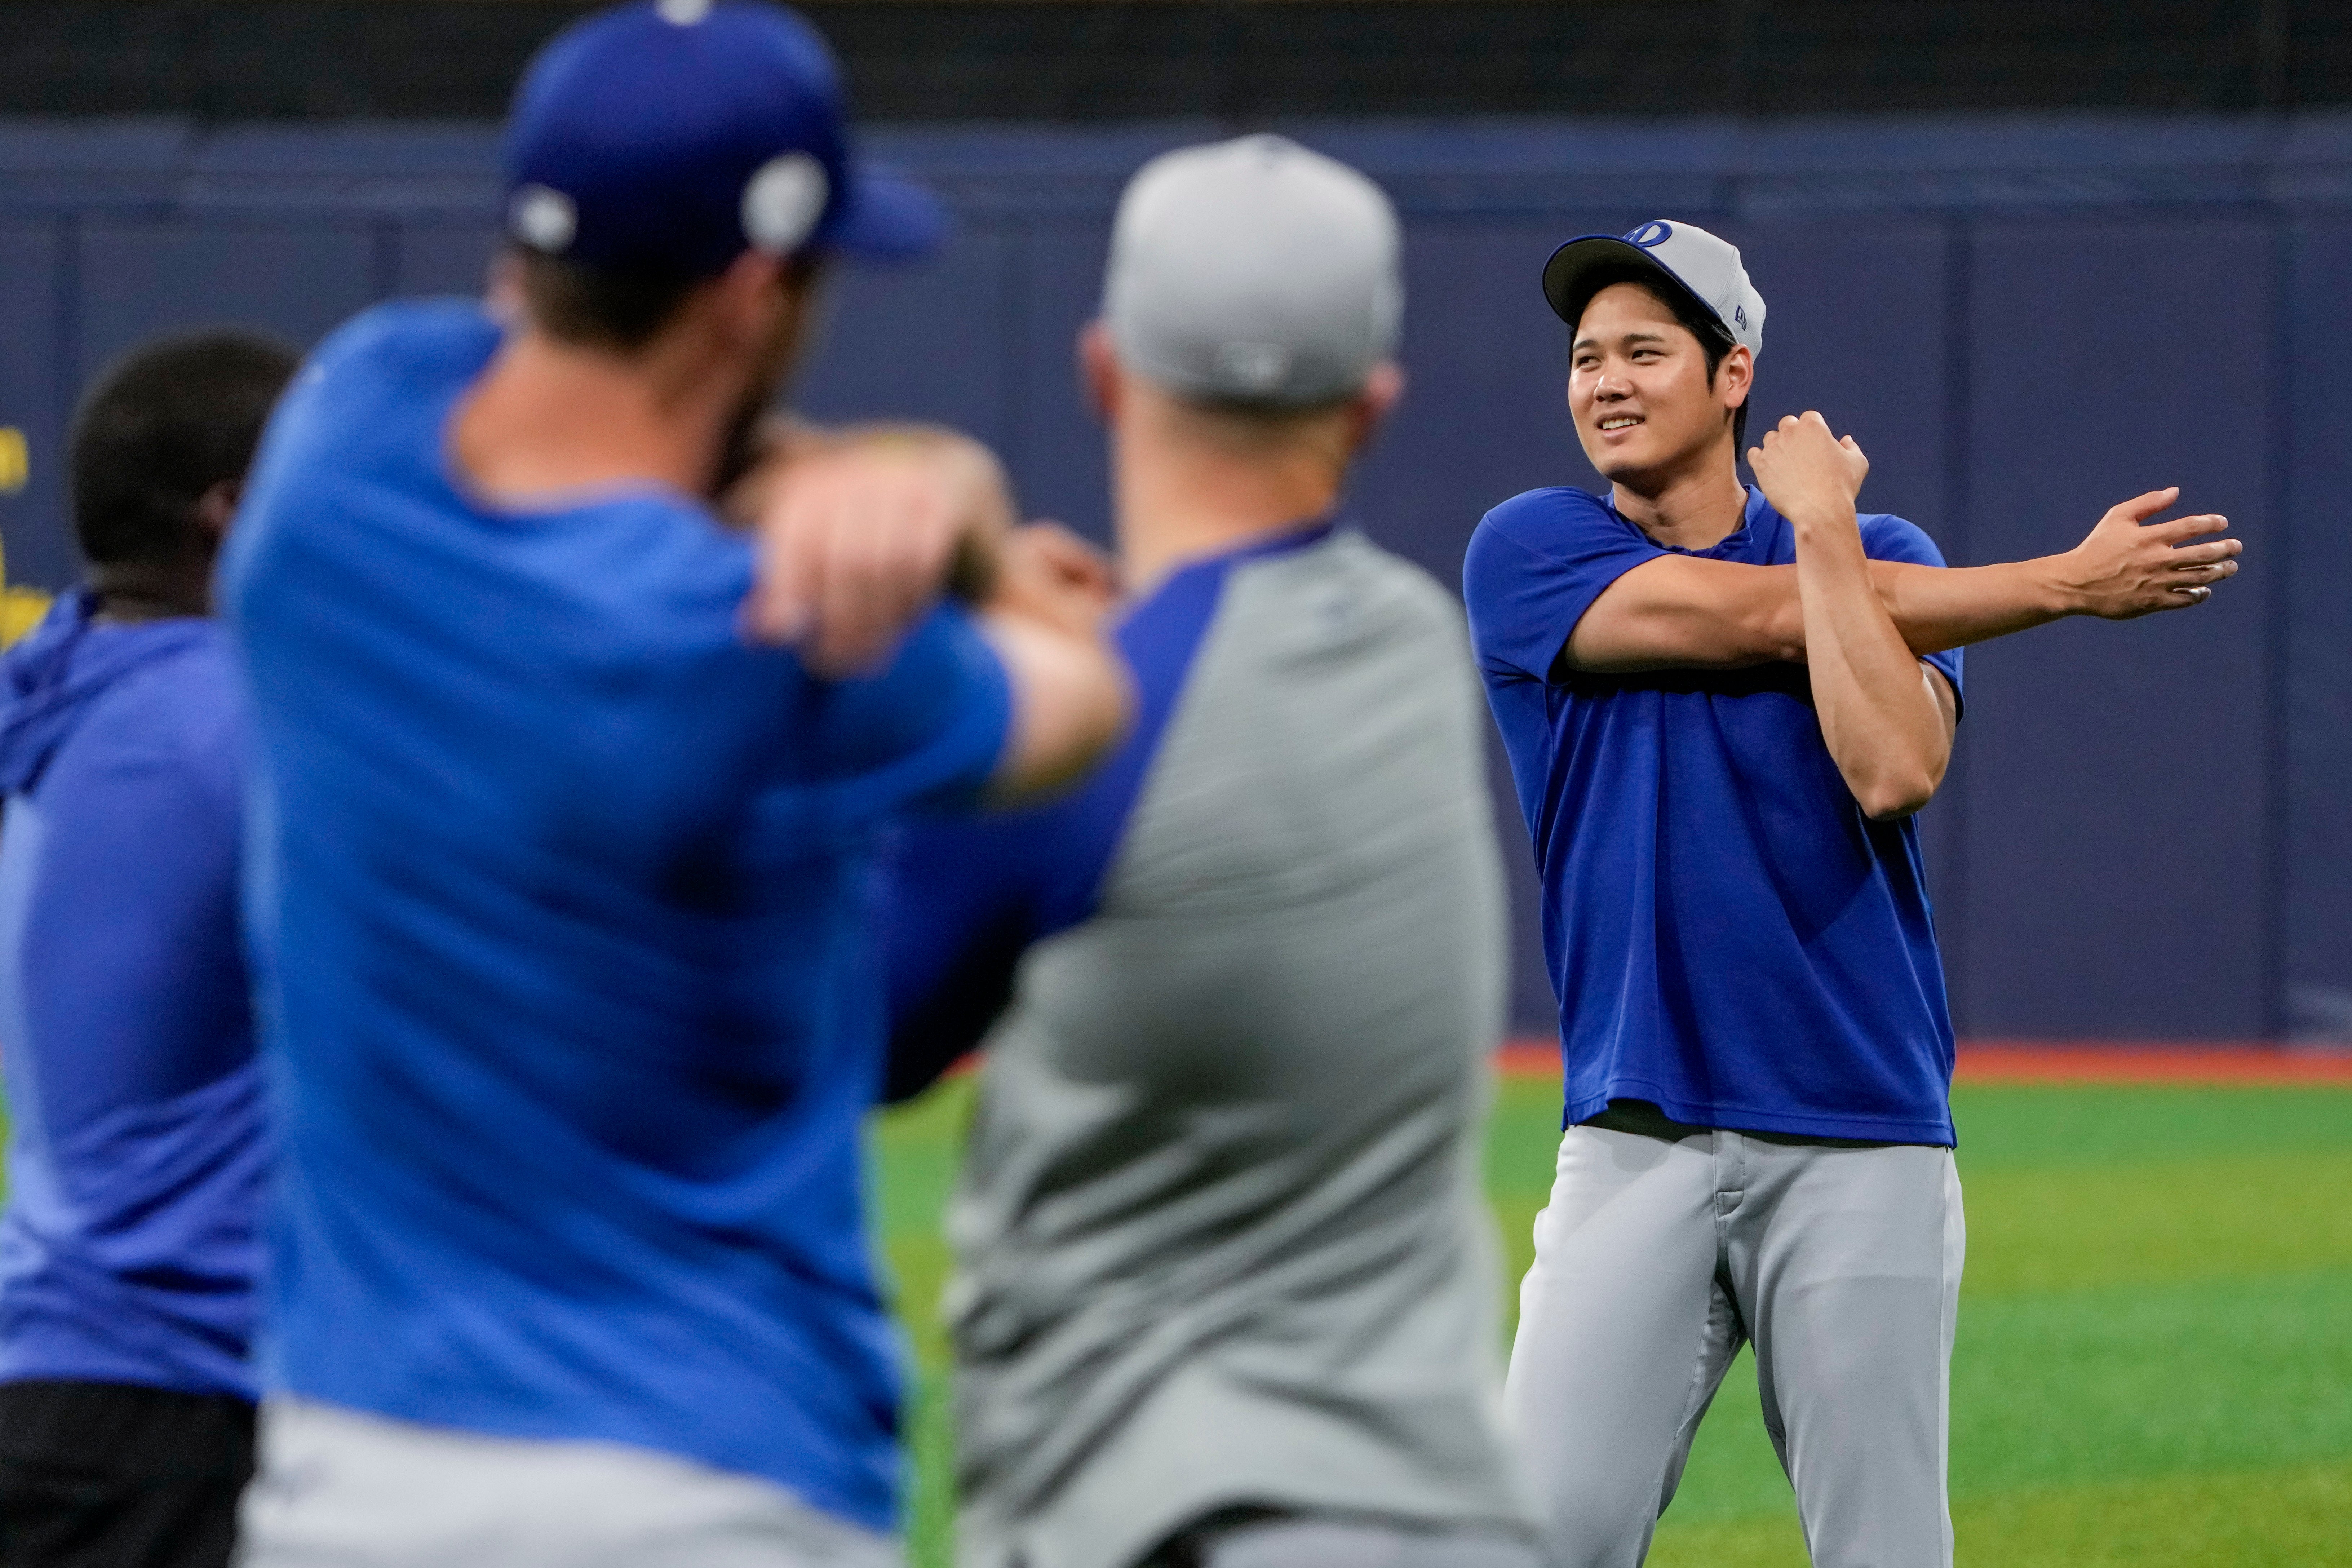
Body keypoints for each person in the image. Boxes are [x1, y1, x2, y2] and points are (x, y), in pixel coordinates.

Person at [221, 4, 1129, 1564]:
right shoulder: (770, 638)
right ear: (753, 294)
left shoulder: (341, 441)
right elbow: (1083, 696)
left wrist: (827, 473)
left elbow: (578, 426)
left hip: (345, 1475)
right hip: (716, 1479)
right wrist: (959, 514)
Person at [1460, 218, 2242, 1568]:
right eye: (1586, 356)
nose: (1606, 381)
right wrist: (2063, 584)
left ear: (1734, 375)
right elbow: (1750, 619)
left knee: (1883, 1549)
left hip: (1859, 1130)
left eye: (1646, 350)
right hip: (1635, 1127)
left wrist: (1824, 528)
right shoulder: (1532, 549)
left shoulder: (1879, 543)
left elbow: (1891, 771)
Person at [881, 136, 1547, 1568]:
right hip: (1442, 1512)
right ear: (1372, 404)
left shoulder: (1076, 734)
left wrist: (967, 650)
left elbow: (850, 1028)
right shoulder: (1416, 645)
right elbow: (1224, 679)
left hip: (1165, 1518)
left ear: (1103, 370)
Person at [0, 330, 298, 1568]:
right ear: (231, 514)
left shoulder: (68, 685)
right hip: (177, 1410)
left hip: (69, 1383)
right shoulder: (225, 723)